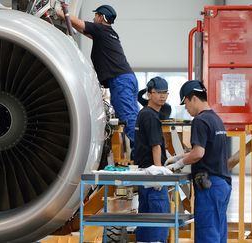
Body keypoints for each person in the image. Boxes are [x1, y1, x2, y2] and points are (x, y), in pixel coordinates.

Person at [56, 4, 139, 159]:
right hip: (127, 79)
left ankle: (141, 154)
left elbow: (81, 24)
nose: (94, 18)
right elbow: (83, 30)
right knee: (133, 116)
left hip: (120, 81)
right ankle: (142, 151)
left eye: (96, 16)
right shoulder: (109, 33)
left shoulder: (100, 29)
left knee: (128, 118)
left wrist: (59, 12)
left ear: (101, 17)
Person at [166, 80, 231, 243]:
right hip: (222, 185)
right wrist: (180, 156)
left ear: (193, 98)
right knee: (218, 233)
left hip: (208, 185)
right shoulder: (216, 119)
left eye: (186, 103)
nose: (186, 109)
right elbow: (207, 149)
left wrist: (177, 165)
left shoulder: (200, 121)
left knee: (207, 235)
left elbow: (198, 153)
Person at [134, 76, 170, 243]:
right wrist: (158, 173)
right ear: (149, 94)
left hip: (144, 176)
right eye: (158, 92)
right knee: (158, 222)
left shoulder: (143, 114)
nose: (162, 96)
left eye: (165, 93)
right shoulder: (151, 116)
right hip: (153, 177)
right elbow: (156, 146)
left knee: (145, 221)